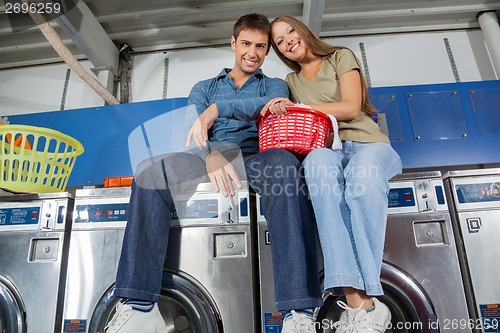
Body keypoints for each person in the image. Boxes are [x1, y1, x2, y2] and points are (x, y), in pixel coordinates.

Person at [105, 13, 323, 333]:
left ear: (266, 51)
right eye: (246, 43)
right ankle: (140, 306)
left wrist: (221, 113)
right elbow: (193, 131)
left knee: (287, 165)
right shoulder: (204, 87)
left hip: (256, 157)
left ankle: (299, 311)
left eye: (261, 46)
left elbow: (272, 104)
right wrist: (212, 154)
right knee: (149, 172)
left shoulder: (274, 84)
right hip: (207, 156)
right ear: (233, 43)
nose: (252, 52)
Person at [263, 16, 403, 333]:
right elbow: (296, 120)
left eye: (290, 32)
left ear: (303, 30)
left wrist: (301, 108)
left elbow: (352, 107)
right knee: (316, 166)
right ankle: (362, 308)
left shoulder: (340, 56)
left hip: (367, 146)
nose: (288, 41)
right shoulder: (291, 79)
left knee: (362, 182)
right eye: (280, 41)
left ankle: (364, 304)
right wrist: (278, 105)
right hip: (328, 149)